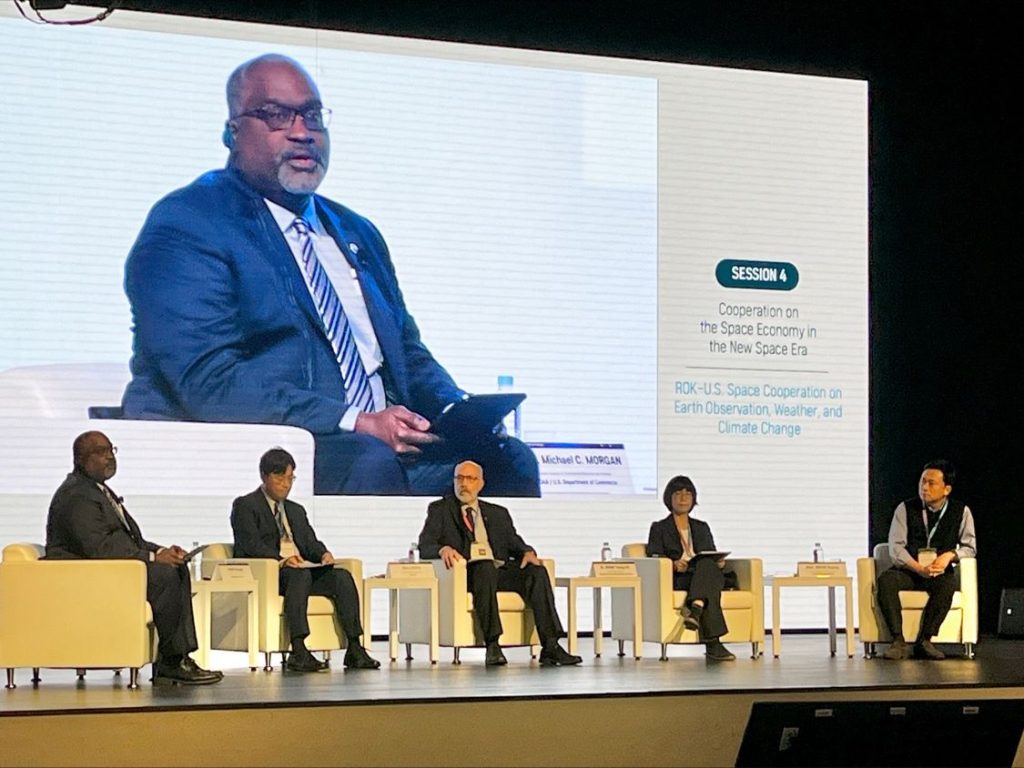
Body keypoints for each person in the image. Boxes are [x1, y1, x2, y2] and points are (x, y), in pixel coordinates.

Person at [119, 53, 539, 497]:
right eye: (277, 115)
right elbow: (209, 380)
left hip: (375, 444)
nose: (302, 133)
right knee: (368, 462)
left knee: (505, 460)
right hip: (273, 445)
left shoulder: (355, 231)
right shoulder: (189, 225)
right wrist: (355, 420)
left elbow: (407, 354)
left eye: (313, 116)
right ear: (233, 131)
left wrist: (456, 410)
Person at [45, 431, 222, 685]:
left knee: (175, 568)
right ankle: (173, 661)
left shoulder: (98, 490)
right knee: (164, 575)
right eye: (101, 452)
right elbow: (100, 548)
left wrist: (161, 552)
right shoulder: (77, 495)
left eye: (111, 450)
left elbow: (129, 542)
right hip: (84, 578)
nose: (109, 457)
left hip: (114, 570)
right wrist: (152, 558)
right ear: (81, 458)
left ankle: (175, 658)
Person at [417, 461, 582, 667]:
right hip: (466, 574)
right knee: (484, 567)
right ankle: (493, 644)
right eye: (459, 478)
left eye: (470, 479)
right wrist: (443, 549)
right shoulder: (440, 509)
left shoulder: (498, 513)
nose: (463, 484)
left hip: (499, 570)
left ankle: (550, 645)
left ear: (481, 484)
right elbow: (425, 545)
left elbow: (514, 542)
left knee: (536, 572)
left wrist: (526, 551)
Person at [230, 447, 380, 672]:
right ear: (264, 476)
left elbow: (309, 542)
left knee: (341, 577)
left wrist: (323, 554)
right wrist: (282, 560)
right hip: (269, 573)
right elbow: (250, 545)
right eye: (279, 477)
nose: (286, 484)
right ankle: (298, 649)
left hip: (299, 571)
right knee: (298, 574)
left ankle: (355, 647)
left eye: (290, 478)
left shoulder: (296, 510)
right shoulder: (245, 505)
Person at [877, 459, 977, 660]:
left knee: (947, 585)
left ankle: (925, 640)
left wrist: (949, 556)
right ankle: (898, 640)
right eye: (923, 481)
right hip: (910, 570)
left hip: (938, 572)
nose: (924, 487)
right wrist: (918, 568)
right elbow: (896, 548)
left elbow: (970, 548)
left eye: (931, 483)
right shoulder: (905, 508)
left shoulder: (961, 511)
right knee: (886, 580)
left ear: (946, 489)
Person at [646, 475, 737, 661]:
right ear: (669, 498)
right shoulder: (659, 528)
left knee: (707, 566)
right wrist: (672, 564)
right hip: (681, 577)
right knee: (709, 580)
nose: (683, 497)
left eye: (688, 493)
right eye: (678, 493)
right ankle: (713, 643)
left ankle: (696, 606)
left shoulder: (702, 527)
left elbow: (710, 552)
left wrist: (718, 562)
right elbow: (654, 555)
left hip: (701, 573)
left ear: (694, 499)